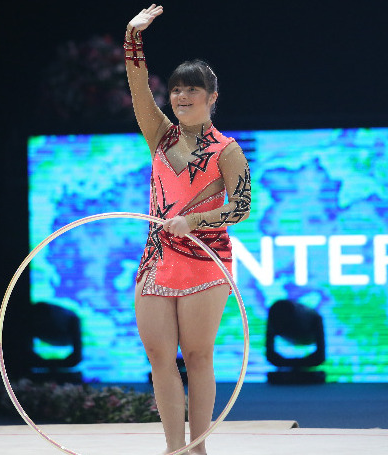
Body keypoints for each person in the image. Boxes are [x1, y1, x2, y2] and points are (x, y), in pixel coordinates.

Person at [125, 4, 251, 455]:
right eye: (176, 89)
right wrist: (133, 37)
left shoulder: (227, 151)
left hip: (204, 259)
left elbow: (241, 207)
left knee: (197, 356)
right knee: (160, 357)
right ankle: (173, 448)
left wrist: (192, 221)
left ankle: (197, 449)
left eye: (191, 90)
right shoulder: (159, 135)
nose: (180, 96)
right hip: (158, 259)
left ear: (212, 96)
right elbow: (138, 88)